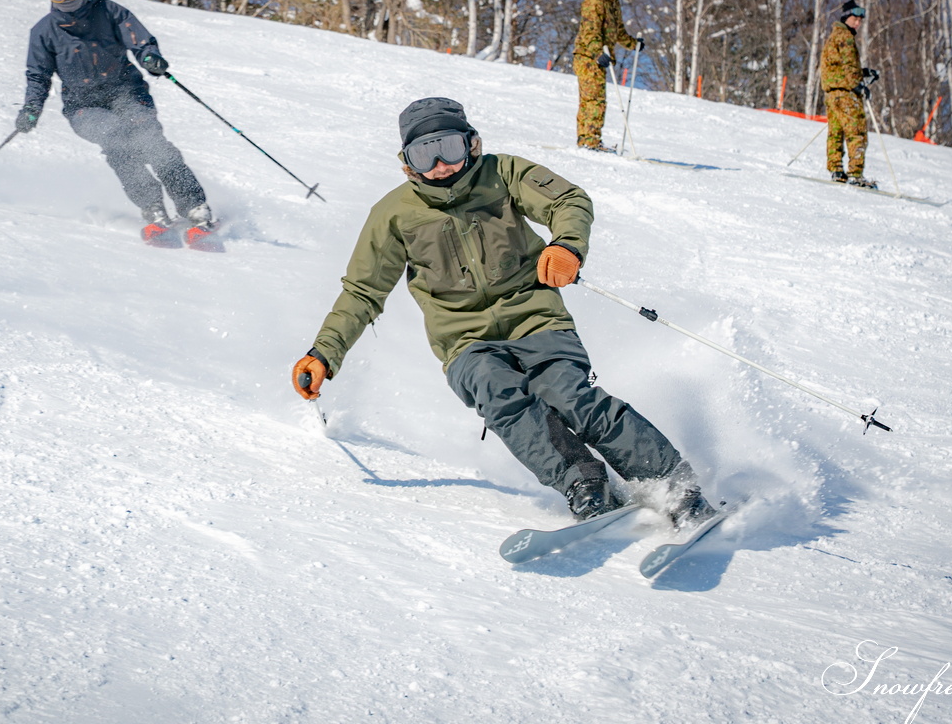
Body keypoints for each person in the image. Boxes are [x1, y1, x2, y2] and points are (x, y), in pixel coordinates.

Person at [291, 97, 715, 526]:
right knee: (498, 394)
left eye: (449, 147)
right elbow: (362, 291)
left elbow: (568, 200)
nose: (440, 163)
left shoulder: (504, 173)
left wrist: (567, 244)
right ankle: (584, 483)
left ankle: (674, 486)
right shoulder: (394, 215)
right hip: (465, 342)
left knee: (570, 396)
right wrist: (325, 353)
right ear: (407, 162)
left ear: (471, 144)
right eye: (425, 153)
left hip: (537, 319)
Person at [15, 0, 215, 245]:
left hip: (126, 93)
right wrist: (32, 107)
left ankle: (194, 206)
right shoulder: (44, 32)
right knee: (117, 142)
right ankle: (153, 209)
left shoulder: (110, 12)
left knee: (151, 142)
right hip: (83, 106)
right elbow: (37, 76)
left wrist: (150, 56)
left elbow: (140, 40)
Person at [572, 0, 643, 152]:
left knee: (596, 99)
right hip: (588, 57)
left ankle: (590, 139)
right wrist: (598, 53)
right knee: (593, 100)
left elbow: (618, 33)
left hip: (599, 57)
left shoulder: (613, 4)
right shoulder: (594, 2)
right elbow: (590, 32)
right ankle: (589, 140)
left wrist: (633, 44)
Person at [820, 0, 880, 187]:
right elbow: (849, 65)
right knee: (857, 131)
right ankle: (855, 174)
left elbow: (840, 67)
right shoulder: (845, 37)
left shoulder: (833, 36)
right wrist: (858, 85)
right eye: (855, 18)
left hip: (832, 94)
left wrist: (863, 73)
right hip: (846, 94)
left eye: (860, 20)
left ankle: (836, 170)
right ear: (846, 17)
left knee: (836, 132)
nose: (858, 23)